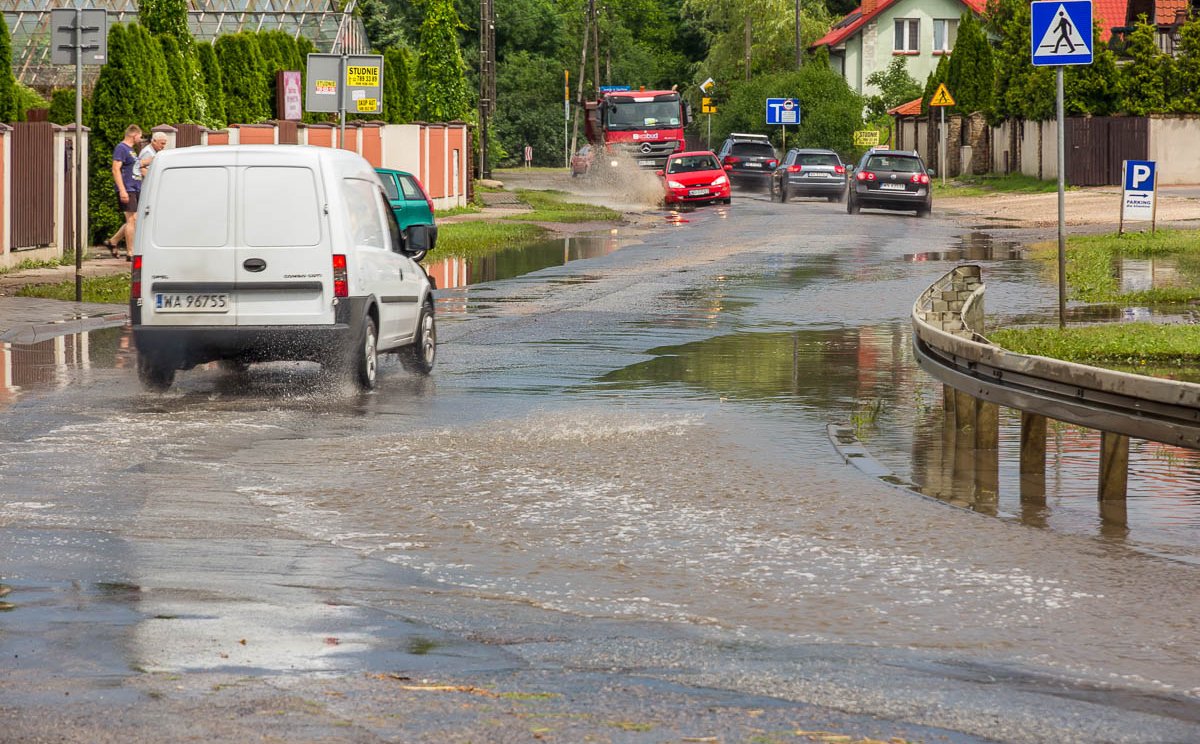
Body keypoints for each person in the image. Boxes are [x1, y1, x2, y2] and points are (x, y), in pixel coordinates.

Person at [110, 124, 143, 261]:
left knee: (134, 219)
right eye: (140, 137)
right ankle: (130, 252)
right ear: (134, 135)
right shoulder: (121, 148)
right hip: (127, 188)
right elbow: (115, 169)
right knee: (132, 219)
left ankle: (112, 241)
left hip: (134, 188)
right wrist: (122, 190)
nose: (140, 140)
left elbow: (135, 166)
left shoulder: (131, 150)